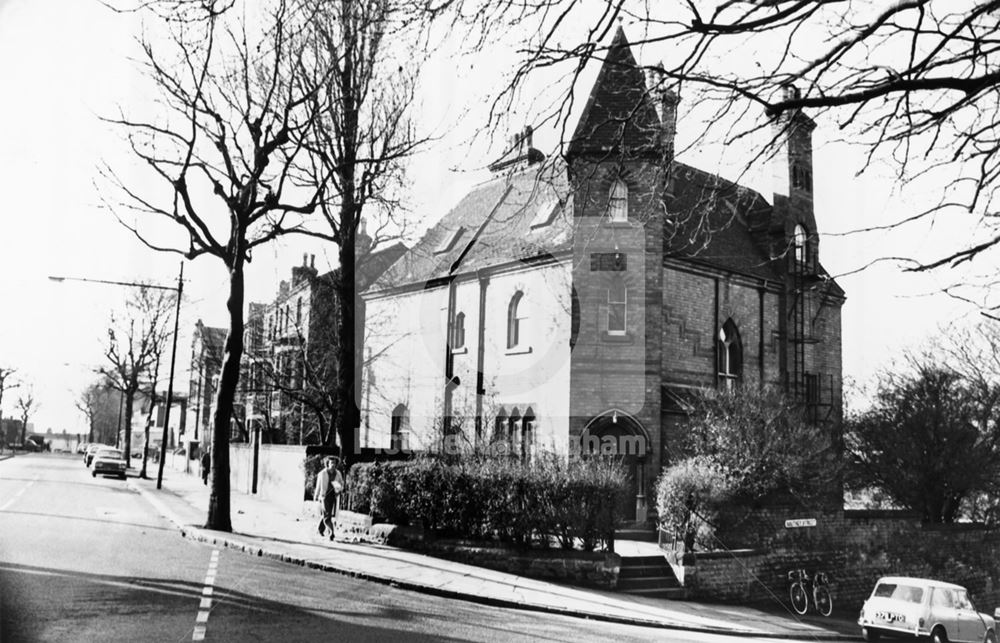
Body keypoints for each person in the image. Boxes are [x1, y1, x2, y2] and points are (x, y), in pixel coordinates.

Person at [314, 456, 345, 540]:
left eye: (334, 463)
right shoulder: (323, 473)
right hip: (324, 496)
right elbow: (318, 485)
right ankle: (331, 532)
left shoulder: (338, 473)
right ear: (328, 464)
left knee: (327, 514)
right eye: (331, 463)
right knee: (327, 515)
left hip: (333, 496)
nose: (333, 465)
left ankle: (320, 529)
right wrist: (316, 495)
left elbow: (341, 483)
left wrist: (339, 489)